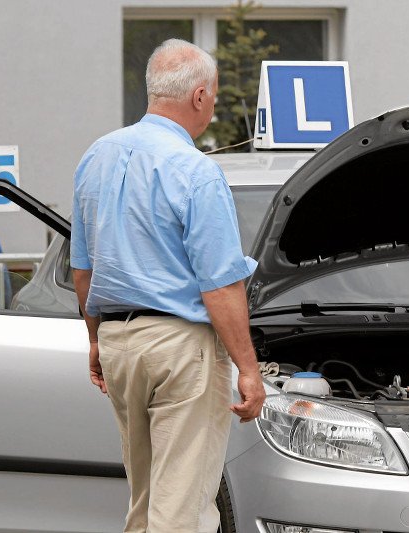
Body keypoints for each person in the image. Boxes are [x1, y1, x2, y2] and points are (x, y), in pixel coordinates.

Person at [71, 39, 265, 533]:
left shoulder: (95, 157)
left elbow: (83, 268)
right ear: (199, 96)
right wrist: (248, 369)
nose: (212, 104)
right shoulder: (196, 172)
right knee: (182, 510)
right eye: (214, 95)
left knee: (145, 502)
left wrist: (95, 340)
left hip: (118, 343)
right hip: (180, 349)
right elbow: (220, 286)